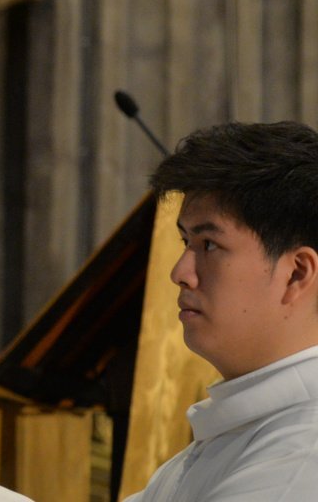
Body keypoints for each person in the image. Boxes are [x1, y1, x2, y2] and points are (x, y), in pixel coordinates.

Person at [123, 122, 318, 501]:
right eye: (185, 241)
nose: (180, 273)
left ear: (297, 273)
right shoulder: (239, 430)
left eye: (209, 245)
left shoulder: (302, 456)